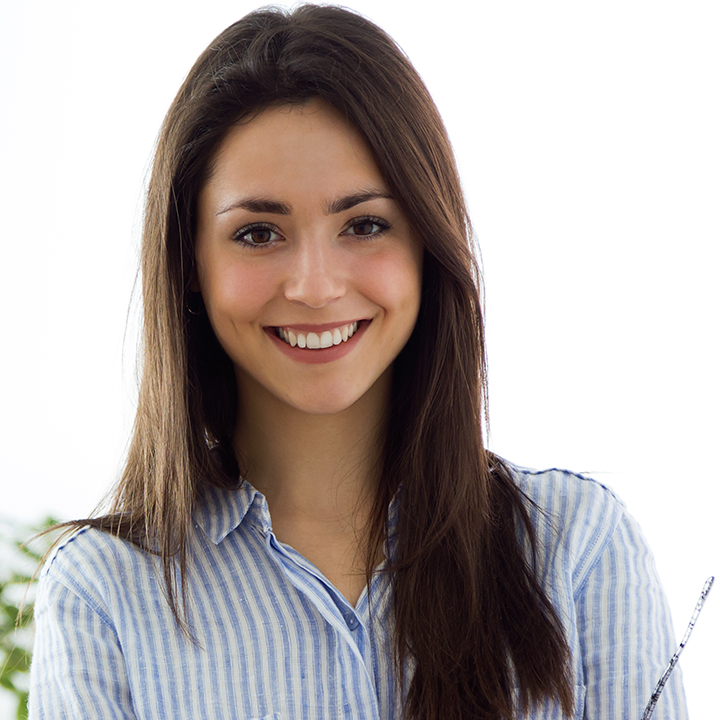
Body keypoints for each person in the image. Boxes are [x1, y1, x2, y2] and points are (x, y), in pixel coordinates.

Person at [28, 5, 688, 719]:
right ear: (190, 261)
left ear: (427, 242)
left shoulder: (579, 550)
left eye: (365, 224)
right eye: (258, 233)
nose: (315, 287)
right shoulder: (102, 596)